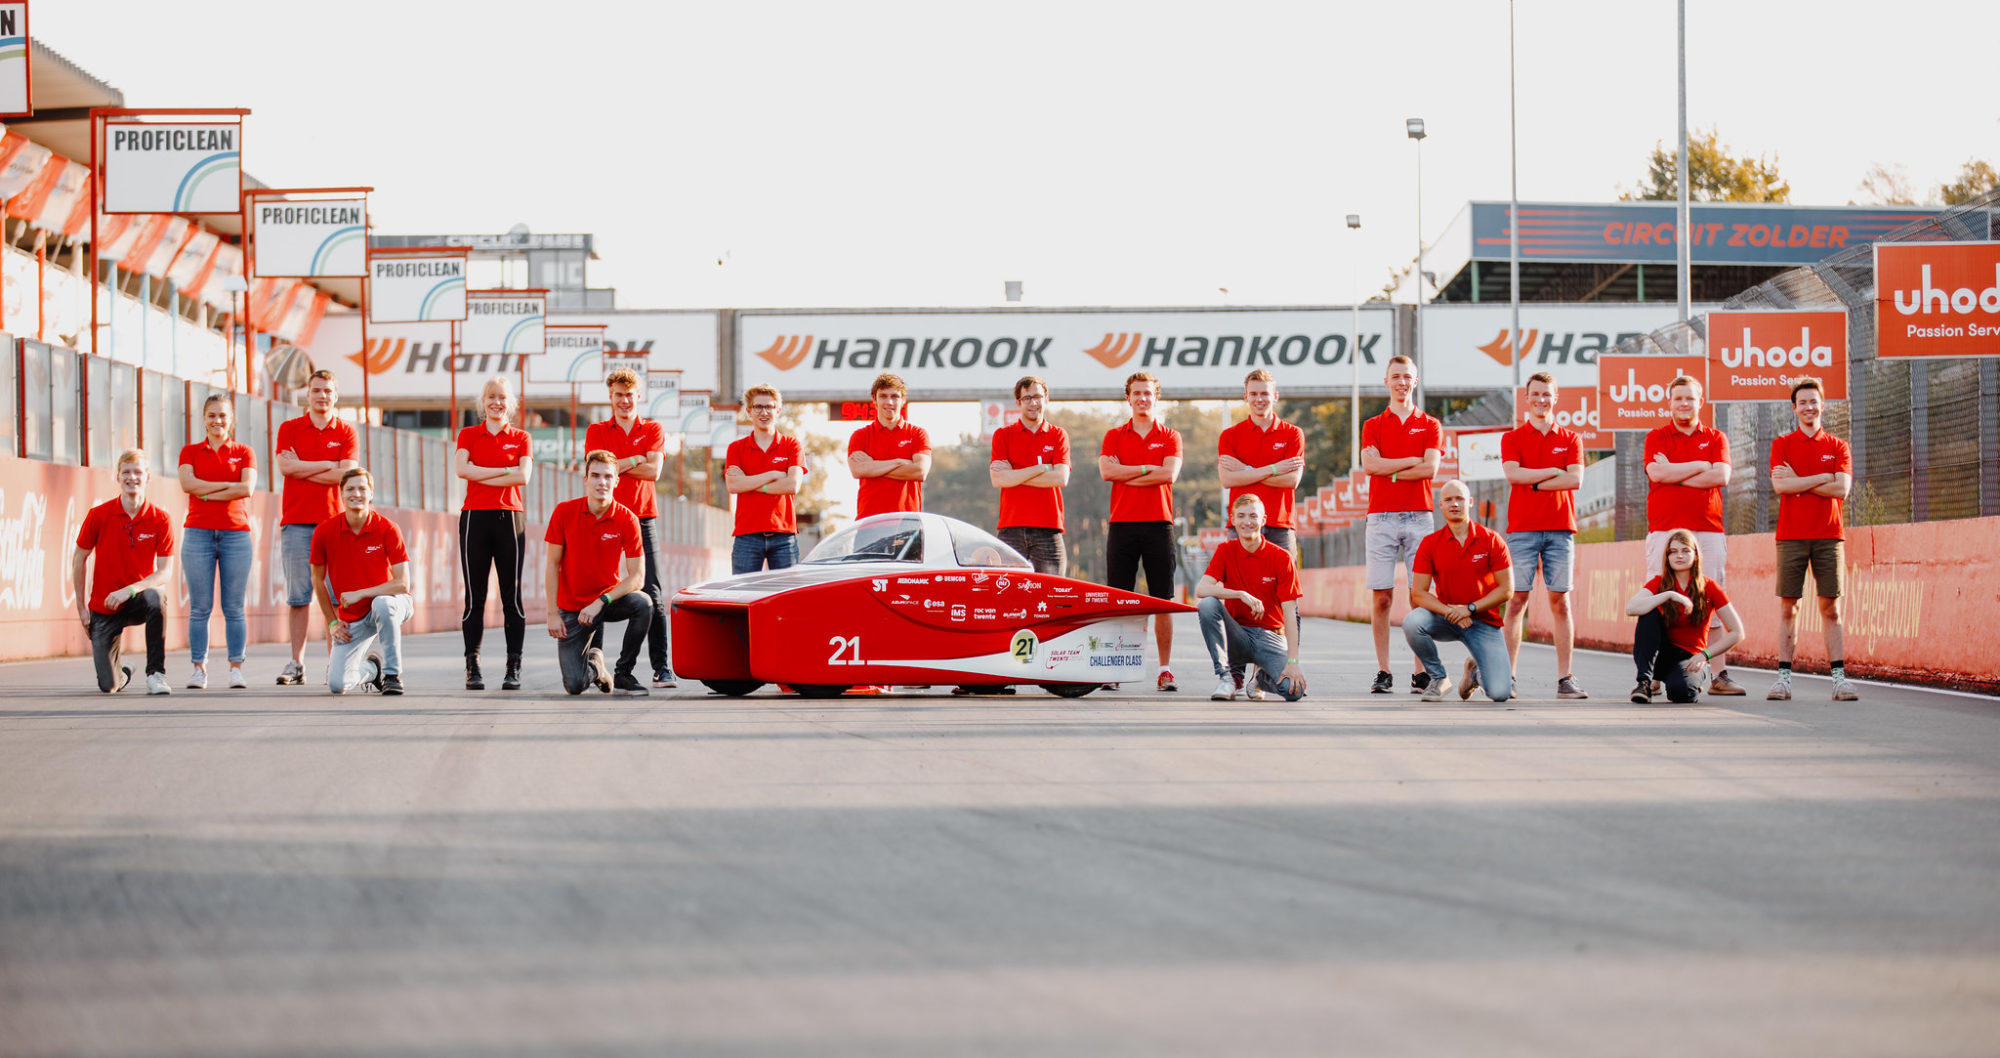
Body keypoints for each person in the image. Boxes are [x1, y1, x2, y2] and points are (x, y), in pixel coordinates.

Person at [1642, 374, 1744, 694]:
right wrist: (1701, 465)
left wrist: (1677, 474)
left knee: (1709, 601)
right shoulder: (1656, 437)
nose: (1684, 404)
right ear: (1669, 403)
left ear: (1701, 402)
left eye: (1690, 398)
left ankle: (1719, 675)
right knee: (1659, 603)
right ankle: (1655, 675)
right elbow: (1657, 472)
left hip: (1707, 530)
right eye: (1678, 398)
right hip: (1665, 529)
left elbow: (1722, 475)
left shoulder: (1716, 437)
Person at [1767, 376, 1858, 702]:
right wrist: (1823, 478)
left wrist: (1801, 480)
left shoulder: (1837, 446)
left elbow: (1841, 489)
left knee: (1830, 608)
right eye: (1802, 402)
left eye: (1813, 401)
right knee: (1789, 607)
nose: (1808, 407)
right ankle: (1783, 679)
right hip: (1791, 536)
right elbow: (1781, 487)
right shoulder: (1782, 444)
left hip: (1828, 536)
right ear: (1794, 408)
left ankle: (1839, 679)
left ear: (1822, 404)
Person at [1216, 368, 1306, 698]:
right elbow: (1229, 481)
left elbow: (1291, 481)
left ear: (1275, 396)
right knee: (1234, 601)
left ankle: (1263, 674)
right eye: (1253, 393)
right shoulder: (1231, 435)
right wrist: (1272, 469)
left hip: (1280, 527)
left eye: (1264, 393)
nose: (1259, 399)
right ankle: (1235, 675)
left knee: (1284, 604)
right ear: (1245, 397)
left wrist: (1248, 474)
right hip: (1239, 525)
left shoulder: (1293, 434)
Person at [585, 368, 677, 688]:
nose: (624, 400)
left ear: (639, 396)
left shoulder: (652, 428)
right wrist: (637, 457)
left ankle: (659, 667)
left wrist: (623, 463)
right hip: (604, 516)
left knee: (652, 592)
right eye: (618, 395)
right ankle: (591, 662)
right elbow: (598, 470)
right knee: (598, 588)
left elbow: (654, 472)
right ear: (610, 398)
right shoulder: (597, 429)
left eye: (629, 395)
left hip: (642, 517)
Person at [1500, 372, 1588, 699]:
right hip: (1522, 529)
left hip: (1560, 528)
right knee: (1516, 601)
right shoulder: (1512, 438)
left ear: (1555, 397)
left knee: (1560, 602)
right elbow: (1512, 474)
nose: (1541, 400)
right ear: (1527, 398)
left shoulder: (1571, 438)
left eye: (1547, 395)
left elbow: (1575, 479)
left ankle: (1565, 678)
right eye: (1535, 394)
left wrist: (1533, 481)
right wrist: (1554, 472)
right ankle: (1506, 677)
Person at [1361, 354, 1442, 695]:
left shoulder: (1431, 424)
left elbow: (1430, 470)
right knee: (1382, 598)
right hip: (1381, 516)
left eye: (1407, 376)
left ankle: (1420, 672)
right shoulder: (1373, 425)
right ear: (1386, 382)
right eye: (1395, 376)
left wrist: (1390, 467)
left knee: (1419, 596)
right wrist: (1411, 460)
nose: (1401, 382)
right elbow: (1369, 465)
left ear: (1415, 380)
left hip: (1419, 515)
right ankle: (1383, 670)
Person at [1098, 371, 1184, 691]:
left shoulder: (1171, 435)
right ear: (1128, 397)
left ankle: (1164, 670)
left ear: (1156, 397)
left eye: (1148, 393)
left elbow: (1169, 474)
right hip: (1122, 524)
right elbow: (1107, 471)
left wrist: (1128, 473)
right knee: (1119, 600)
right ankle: (1115, 669)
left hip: (1159, 524)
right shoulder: (1114, 435)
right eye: (1137, 393)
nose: (1142, 398)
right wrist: (1149, 469)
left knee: (1162, 600)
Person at [273, 369, 359, 686]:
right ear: (307, 394)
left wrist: (303, 467)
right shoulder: (290, 428)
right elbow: (285, 467)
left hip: (335, 525)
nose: (322, 396)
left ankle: (333, 665)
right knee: (298, 598)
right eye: (316, 390)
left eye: (327, 391)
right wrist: (328, 465)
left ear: (335, 395)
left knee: (335, 600)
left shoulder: (346, 433)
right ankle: (296, 664)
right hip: (296, 523)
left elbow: (346, 476)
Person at [544, 449, 653, 696]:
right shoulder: (564, 512)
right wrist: (552, 613)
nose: (601, 482)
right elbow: (552, 564)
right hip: (573, 607)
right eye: (595, 475)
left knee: (644, 603)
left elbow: (638, 577)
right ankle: (596, 666)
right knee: (574, 685)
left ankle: (624, 672)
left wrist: (601, 601)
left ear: (616, 481)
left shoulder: (627, 519)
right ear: (586, 479)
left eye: (607, 477)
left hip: (607, 601)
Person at [72, 448, 175, 695]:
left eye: (138, 472)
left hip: (135, 599)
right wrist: (81, 608)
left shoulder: (160, 519)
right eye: (126, 472)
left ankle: (156, 674)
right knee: (108, 686)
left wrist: (129, 590)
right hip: (104, 605)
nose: (132, 478)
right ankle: (123, 672)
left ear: (148, 477)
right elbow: (79, 559)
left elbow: (164, 573)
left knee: (157, 597)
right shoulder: (98, 515)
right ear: (117, 477)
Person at [1403, 480, 1515, 703]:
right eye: (1448, 500)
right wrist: (1449, 612)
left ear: (1470, 502)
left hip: (1482, 620)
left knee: (1501, 692)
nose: (1454, 504)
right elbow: (1418, 593)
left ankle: (1474, 672)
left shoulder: (1492, 540)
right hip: (1447, 618)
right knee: (1412, 622)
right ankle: (1438, 677)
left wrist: (1470, 609)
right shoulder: (1430, 543)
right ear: (1440, 505)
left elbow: (1507, 589)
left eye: (1460, 499)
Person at [456, 375, 533, 691]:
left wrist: (483, 473)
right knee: (475, 597)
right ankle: (472, 666)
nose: (496, 403)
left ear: (510, 403)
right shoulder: (468, 434)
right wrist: (505, 471)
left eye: (502, 397)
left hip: (510, 519)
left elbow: (523, 476)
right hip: (475, 517)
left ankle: (513, 666)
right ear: (483, 402)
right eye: (491, 397)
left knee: (511, 598)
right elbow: (462, 470)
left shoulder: (522, 437)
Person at [178, 393, 257, 690]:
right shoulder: (190, 452)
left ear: (231, 419)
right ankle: (199, 668)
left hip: (236, 533)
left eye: (223, 415)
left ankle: (236, 667)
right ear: (203, 418)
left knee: (234, 607)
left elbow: (246, 488)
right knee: (200, 607)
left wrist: (205, 491)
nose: (217, 421)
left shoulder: (245, 452)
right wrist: (227, 487)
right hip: (198, 532)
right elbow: (187, 484)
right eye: (211, 415)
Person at [1196, 494, 1308, 703]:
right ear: (1233, 519)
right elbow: (1202, 589)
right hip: (1236, 635)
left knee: (1293, 691)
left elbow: (1290, 613)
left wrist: (1292, 662)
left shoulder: (1281, 557)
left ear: (1263, 520)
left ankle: (1261, 677)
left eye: (1253, 516)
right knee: (1208, 604)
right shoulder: (1225, 550)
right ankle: (1226, 677)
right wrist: (1239, 594)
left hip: (1271, 637)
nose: (1247, 522)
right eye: (1241, 516)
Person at [311, 469, 411, 696]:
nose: (356, 493)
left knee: (382, 604)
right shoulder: (324, 531)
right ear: (341, 494)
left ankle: (392, 675)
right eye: (350, 489)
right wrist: (332, 623)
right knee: (338, 684)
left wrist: (361, 593)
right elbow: (317, 580)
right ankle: (372, 670)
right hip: (355, 616)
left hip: (393, 603)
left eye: (362, 488)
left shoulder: (387, 528)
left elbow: (403, 584)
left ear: (371, 493)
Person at [1626, 528, 1744, 704]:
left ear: (1695, 555)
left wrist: (1705, 655)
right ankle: (1644, 683)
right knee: (1647, 611)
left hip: (1690, 657)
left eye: (1685, 550)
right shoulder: (1659, 582)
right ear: (1667, 557)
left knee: (1681, 693)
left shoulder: (1709, 587)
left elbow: (1737, 632)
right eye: (1673, 552)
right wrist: (1669, 595)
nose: (1678, 556)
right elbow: (1631, 608)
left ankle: (1689, 681)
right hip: (1661, 654)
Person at [989, 374, 1070, 575]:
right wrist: (1041, 468)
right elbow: (998, 479)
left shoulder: (1058, 434)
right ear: (1018, 403)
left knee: (1052, 596)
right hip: (1011, 528)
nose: (1033, 403)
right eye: (1027, 398)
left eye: (1038, 397)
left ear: (1046, 399)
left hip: (1048, 529)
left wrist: (1014, 475)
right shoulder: (1003, 435)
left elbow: (1060, 478)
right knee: (1007, 595)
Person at [724, 383, 808, 574]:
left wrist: (751, 483)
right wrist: (772, 475)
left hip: (783, 536)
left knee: (785, 598)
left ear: (777, 410)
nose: (764, 412)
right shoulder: (736, 448)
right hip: (747, 535)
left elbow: (792, 485)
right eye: (758, 407)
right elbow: (734, 485)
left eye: (769, 407)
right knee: (742, 596)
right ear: (749, 411)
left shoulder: (791, 445)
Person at [847, 372, 930, 519]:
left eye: (894, 397)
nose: (889, 402)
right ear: (874, 399)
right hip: (869, 521)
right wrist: (898, 462)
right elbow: (858, 470)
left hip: (907, 523)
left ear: (903, 400)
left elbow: (920, 472)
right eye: (883, 396)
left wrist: (873, 466)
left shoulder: (917, 434)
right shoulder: (860, 436)